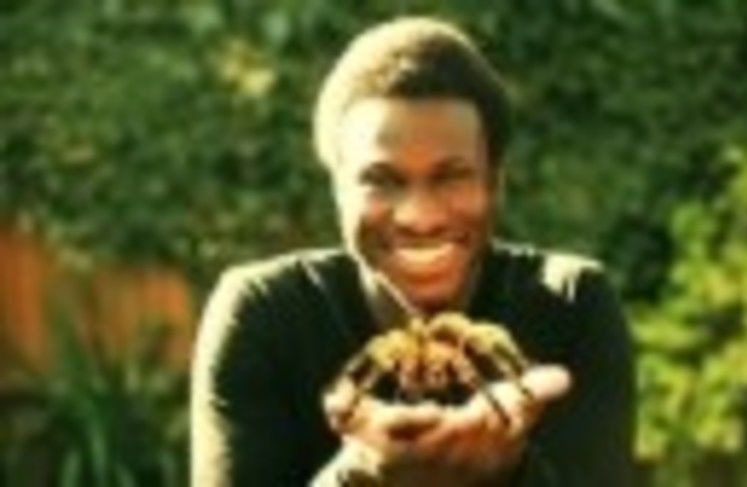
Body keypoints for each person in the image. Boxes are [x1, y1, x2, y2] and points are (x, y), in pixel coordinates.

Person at [191, 16, 635, 486]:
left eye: (452, 176)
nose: (420, 217)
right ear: (338, 190)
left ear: (494, 183)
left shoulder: (569, 303)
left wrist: (511, 467)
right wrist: (359, 474)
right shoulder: (264, 313)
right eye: (381, 180)